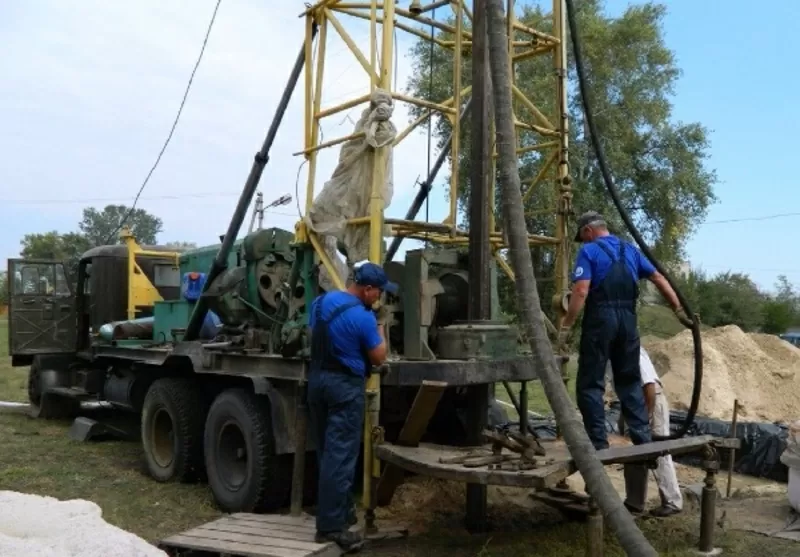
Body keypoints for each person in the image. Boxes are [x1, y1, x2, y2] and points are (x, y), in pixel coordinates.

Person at [560, 210, 684, 453]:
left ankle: (599, 444)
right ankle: (642, 440)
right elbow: (658, 277)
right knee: (629, 381)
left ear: (588, 231)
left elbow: (581, 291)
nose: (584, 241)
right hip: (628, 321)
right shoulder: (630, 250)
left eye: (583, 237)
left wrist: (566, 325)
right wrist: (678, 308)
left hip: (600, 320)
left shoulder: (589, 251)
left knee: (590, 383)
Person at [307, 262, 396, 551]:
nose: (379, 298)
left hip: (317, 382)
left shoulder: (320, 302)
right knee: (341, 456)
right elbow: (380, 357)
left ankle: (340, 513)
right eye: (379, 292)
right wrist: (381, 325)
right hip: (344, 387)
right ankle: (331, 528)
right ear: (367, 289)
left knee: (326, 452)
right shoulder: (363, 318)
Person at [611, 348, 684, 517]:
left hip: (649, 400)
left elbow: (649, 387)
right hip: (631, 403)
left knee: (659, 450)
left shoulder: (630, 351)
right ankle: (634, 502)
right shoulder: (611, 354)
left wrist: (646, 417)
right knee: (632, 451)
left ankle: (672, 501)